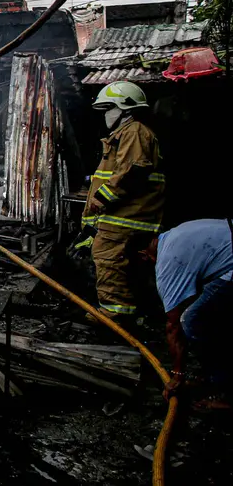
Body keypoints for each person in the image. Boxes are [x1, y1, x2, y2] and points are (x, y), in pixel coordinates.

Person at [72, 81, 165, 319]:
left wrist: (100, 200)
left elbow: (133, 172)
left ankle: (115, 315)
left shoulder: (134, 132)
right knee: (125, 264)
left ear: (125, 108)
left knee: (107, 256)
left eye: (108, 109)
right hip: (124, 215)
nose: (105, 116)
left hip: (128, 216)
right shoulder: (124, 135)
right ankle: (132, 311)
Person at [150, 218, 233, 401]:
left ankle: (225, 391)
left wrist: (177, 374)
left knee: (192, 320)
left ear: (144, 255)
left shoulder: (166, 262)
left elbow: (173, 325)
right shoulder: (175, 232)